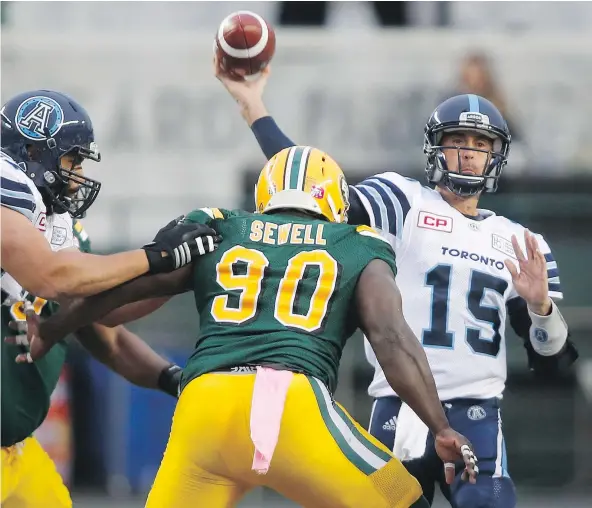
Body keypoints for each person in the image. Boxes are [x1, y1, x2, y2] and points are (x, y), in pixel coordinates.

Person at [22, 146, 479, 507]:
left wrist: (56, 327)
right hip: (290, 405)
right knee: (405, 500)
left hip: (202, 404)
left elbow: (126, 289)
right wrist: (439, 426)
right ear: (337, 201)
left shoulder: (221, 226)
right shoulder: (358, 242)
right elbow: (391, 338)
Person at [212, 62, 579, 508]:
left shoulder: (523, 244)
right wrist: (253, 105)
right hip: (397, 408)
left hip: (476, 413)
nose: (467, 153)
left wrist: (540, 307)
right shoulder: (402, 201)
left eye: (479, 144)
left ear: (495, 155)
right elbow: (308, 184)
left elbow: (553, 363)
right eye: (456, 141)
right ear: (434, 149)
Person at [0, 90, 219, 507]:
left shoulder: (53, 228)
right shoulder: (5, 189)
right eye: (71, 159)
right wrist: (154, 257)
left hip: (17, 452)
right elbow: (52, 278)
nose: (78, 172)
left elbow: (106, 322)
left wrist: (179, 274)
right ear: (32, 150)